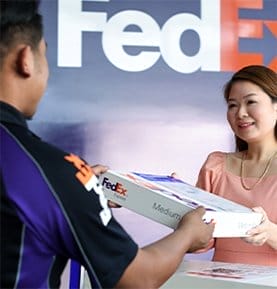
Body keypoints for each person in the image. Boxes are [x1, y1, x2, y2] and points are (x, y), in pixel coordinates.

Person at [0, 1, 215, 288]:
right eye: (45, 55)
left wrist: (80, 191)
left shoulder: (55, 177)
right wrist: (189, 232)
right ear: (26, 58)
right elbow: (138, 277)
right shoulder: (54, 174)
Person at [195, 65, 277, 266]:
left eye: (251, 102)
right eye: (232, 105)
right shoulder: (215, 166)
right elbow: (199, 244)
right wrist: (179, 203)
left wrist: (270, 232)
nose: (240, 113)